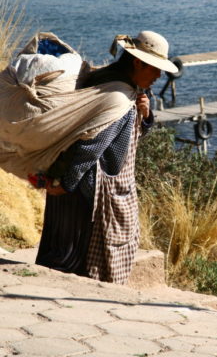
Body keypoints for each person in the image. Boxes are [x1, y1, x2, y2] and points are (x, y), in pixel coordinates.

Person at [35, 30, 178, 284]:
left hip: (70, 185)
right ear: (137, 62)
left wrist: (144, 118)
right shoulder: (119, 98)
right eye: (155, 68)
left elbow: (111, 139)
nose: (158, 76)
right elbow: (92, 147)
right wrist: (65, 186)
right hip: (90, 195)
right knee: (82, 266)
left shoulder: (102, 81)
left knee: (60, 253)